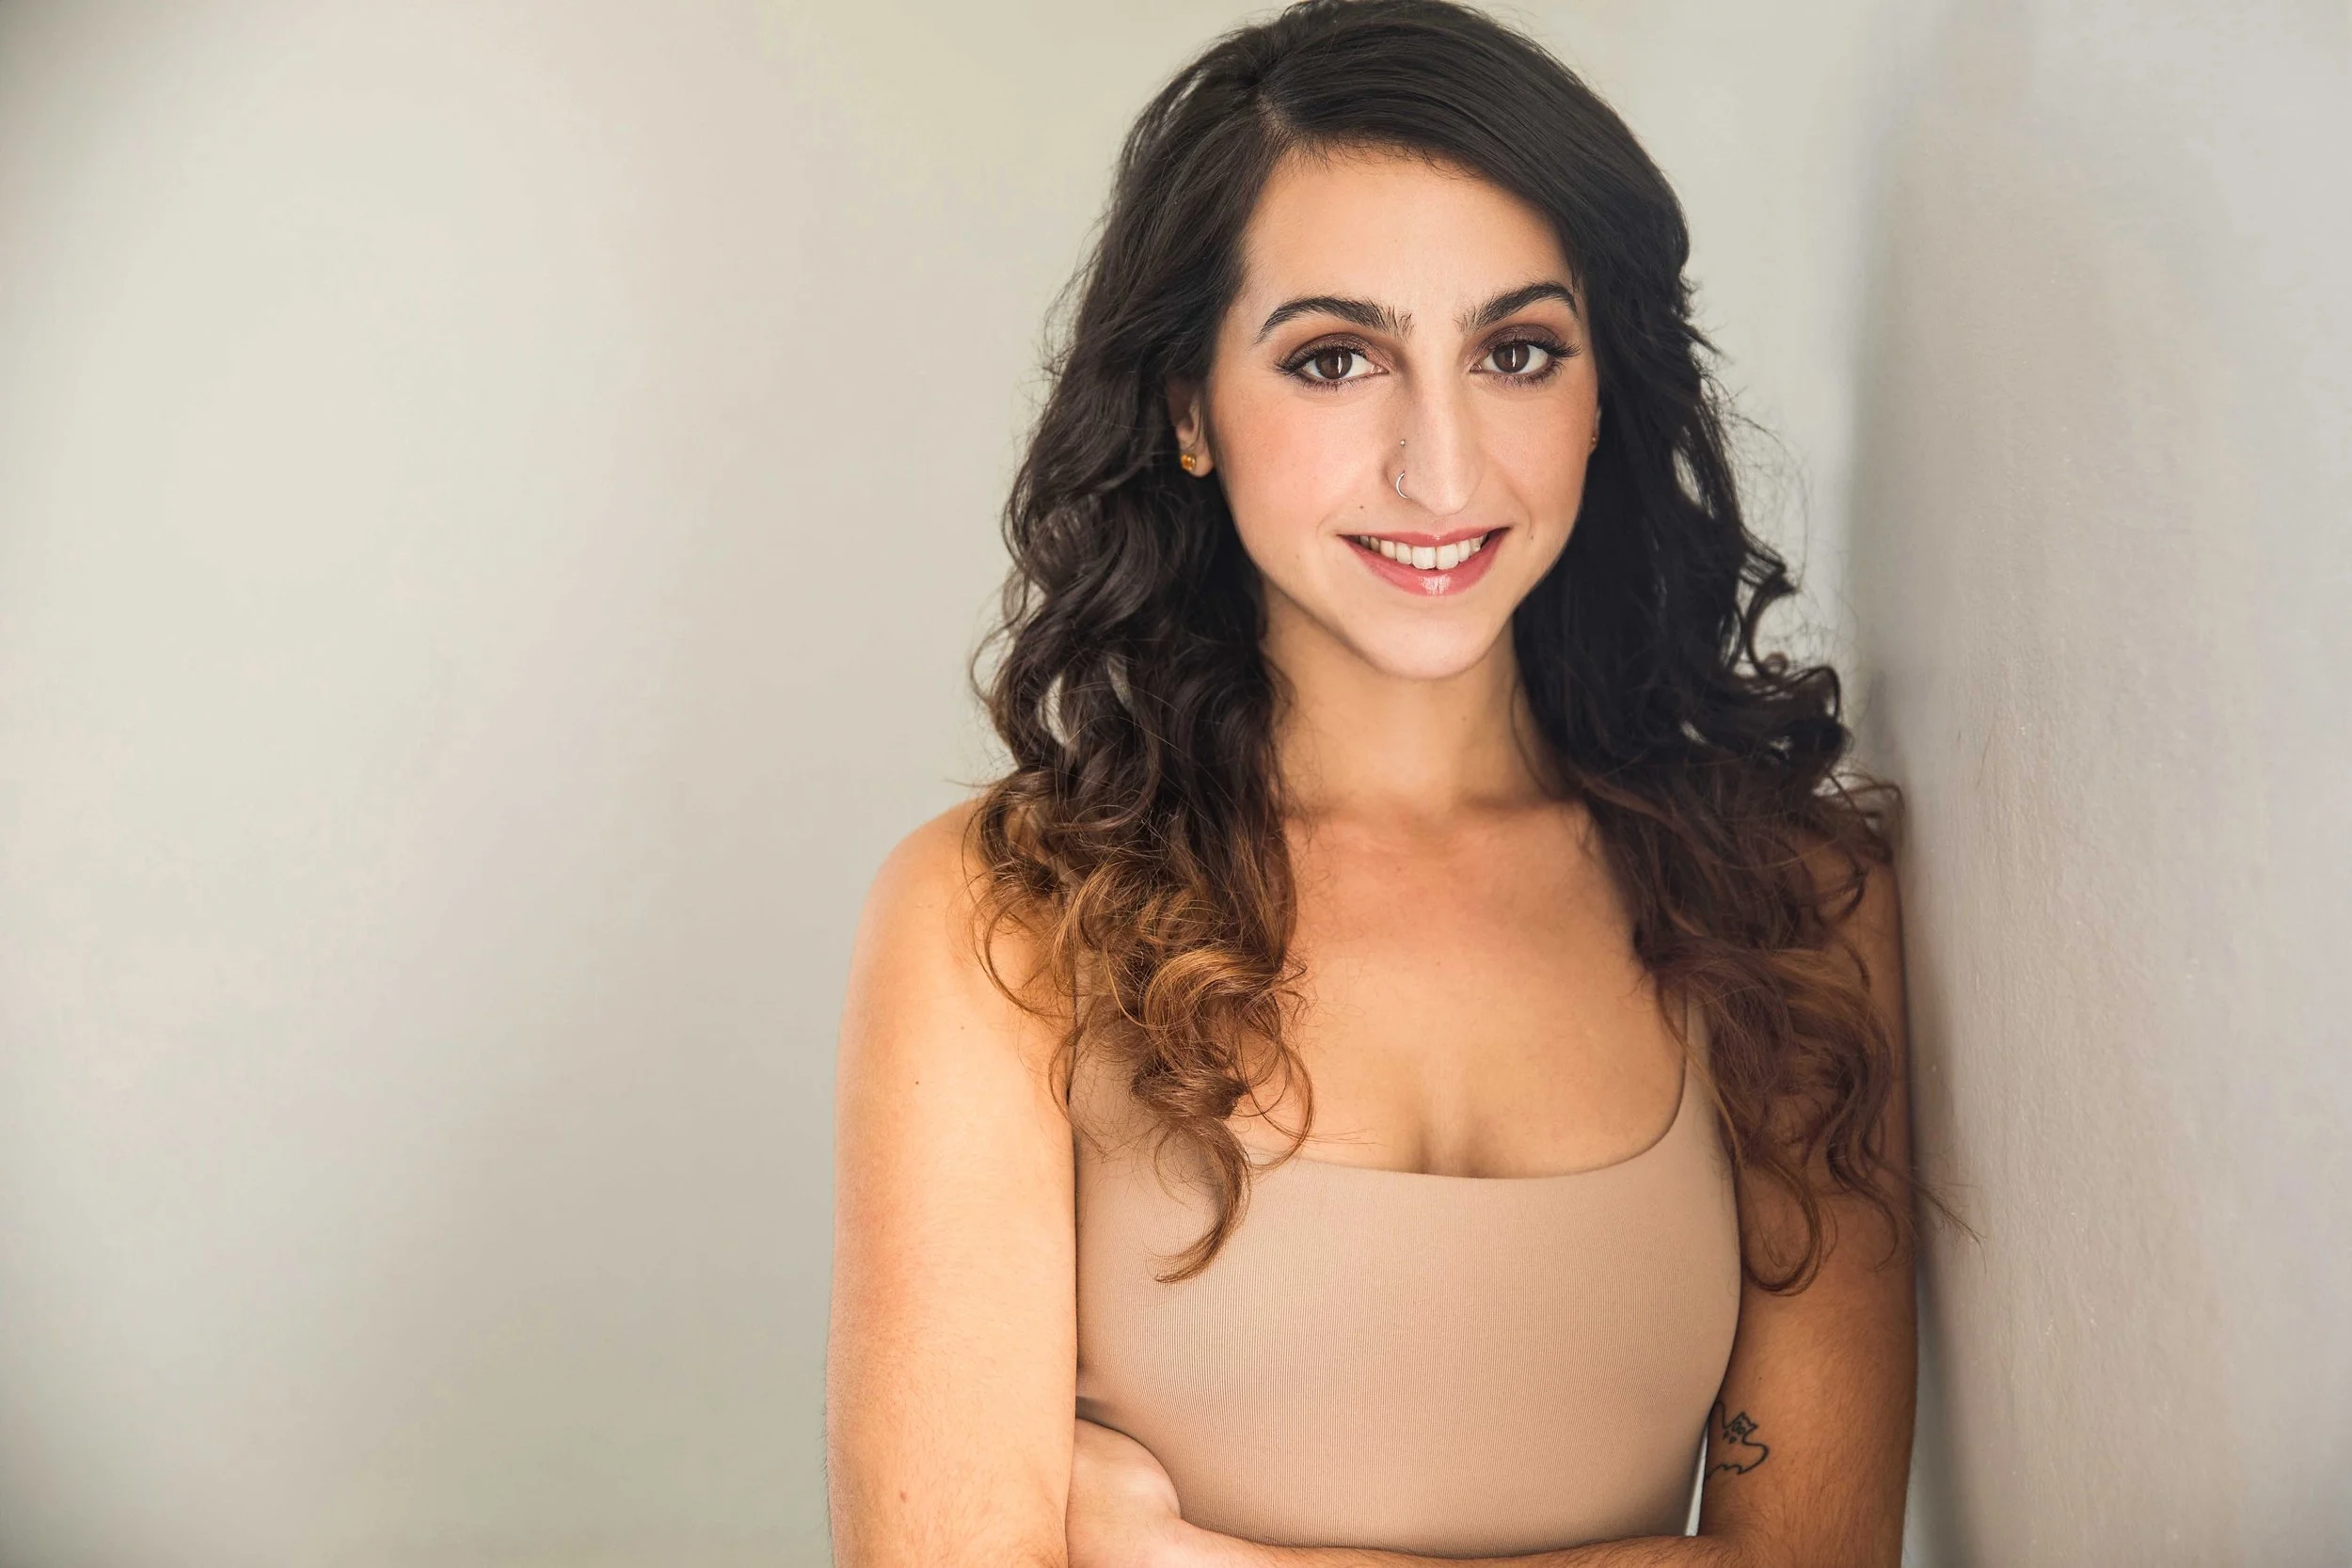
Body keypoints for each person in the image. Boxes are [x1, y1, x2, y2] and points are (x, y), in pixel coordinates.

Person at [826, 1, 1921, 1562]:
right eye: (1336, 359)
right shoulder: (1004, 922)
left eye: (1517, 352)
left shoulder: (1790, 907)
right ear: (1189, 404)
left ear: (1603, 390)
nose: (1443, 468)